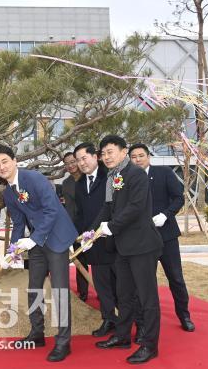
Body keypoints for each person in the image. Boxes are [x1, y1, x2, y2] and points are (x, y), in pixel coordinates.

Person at [0, 145, 77, 362]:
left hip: (56, 239)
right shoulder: (9, 192)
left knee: (59, 290)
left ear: (14, 161)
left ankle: (63, 342)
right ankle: (37, 333)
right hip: (36, 242)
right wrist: (14, 249)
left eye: (4, 161)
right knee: (34, 288)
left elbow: (52, 210)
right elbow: (19, 222)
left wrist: (33, 239)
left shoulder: (35, 179)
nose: (1, 167)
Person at [92, 135, 163, 364]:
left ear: (124, 152)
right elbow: (108, 207)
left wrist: (110, 227)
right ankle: (122, 336)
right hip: (122, 247)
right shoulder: (113, 177)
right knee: (124, 295)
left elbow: (135, 207)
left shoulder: (136, 174)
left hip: (142, 245)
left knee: (147, 298)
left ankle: (150, 346)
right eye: (103, 153)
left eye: (110, 152)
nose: (106, 157)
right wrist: (91, 231)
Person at [129, 143, 195, 333]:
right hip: (141, 239)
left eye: (141, 156)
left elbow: (178, 198)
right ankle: (143, 323)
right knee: (143, 282)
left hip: (166, 236)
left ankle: (184, 315)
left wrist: (166, 215)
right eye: (133, 157)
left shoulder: (163, 173)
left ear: (148, 156)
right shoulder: (127, 179)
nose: (137, 160)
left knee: (175, 277)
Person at [73, 143, 118, 338]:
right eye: (78, 160)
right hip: (93, 243)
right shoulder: (79, 184)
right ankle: (109, 319)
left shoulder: (111, 176)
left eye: (84, 158)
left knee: (123, 285)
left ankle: (135, 321)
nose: (81, 163)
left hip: (114, 239)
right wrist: (82, 235)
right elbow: (81, 214)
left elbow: (116, 207)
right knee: (102, 285)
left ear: (95, 156)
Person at [61, 151, 89, 301]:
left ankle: (106, 291)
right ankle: (83, 293)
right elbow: (69, 208)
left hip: (93, 225)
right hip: (75, 227)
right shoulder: (66, 184)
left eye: (73, 161)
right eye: (67, 163)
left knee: (99, 262)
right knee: (80, 259)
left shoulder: (89, 178)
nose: (71, 165)